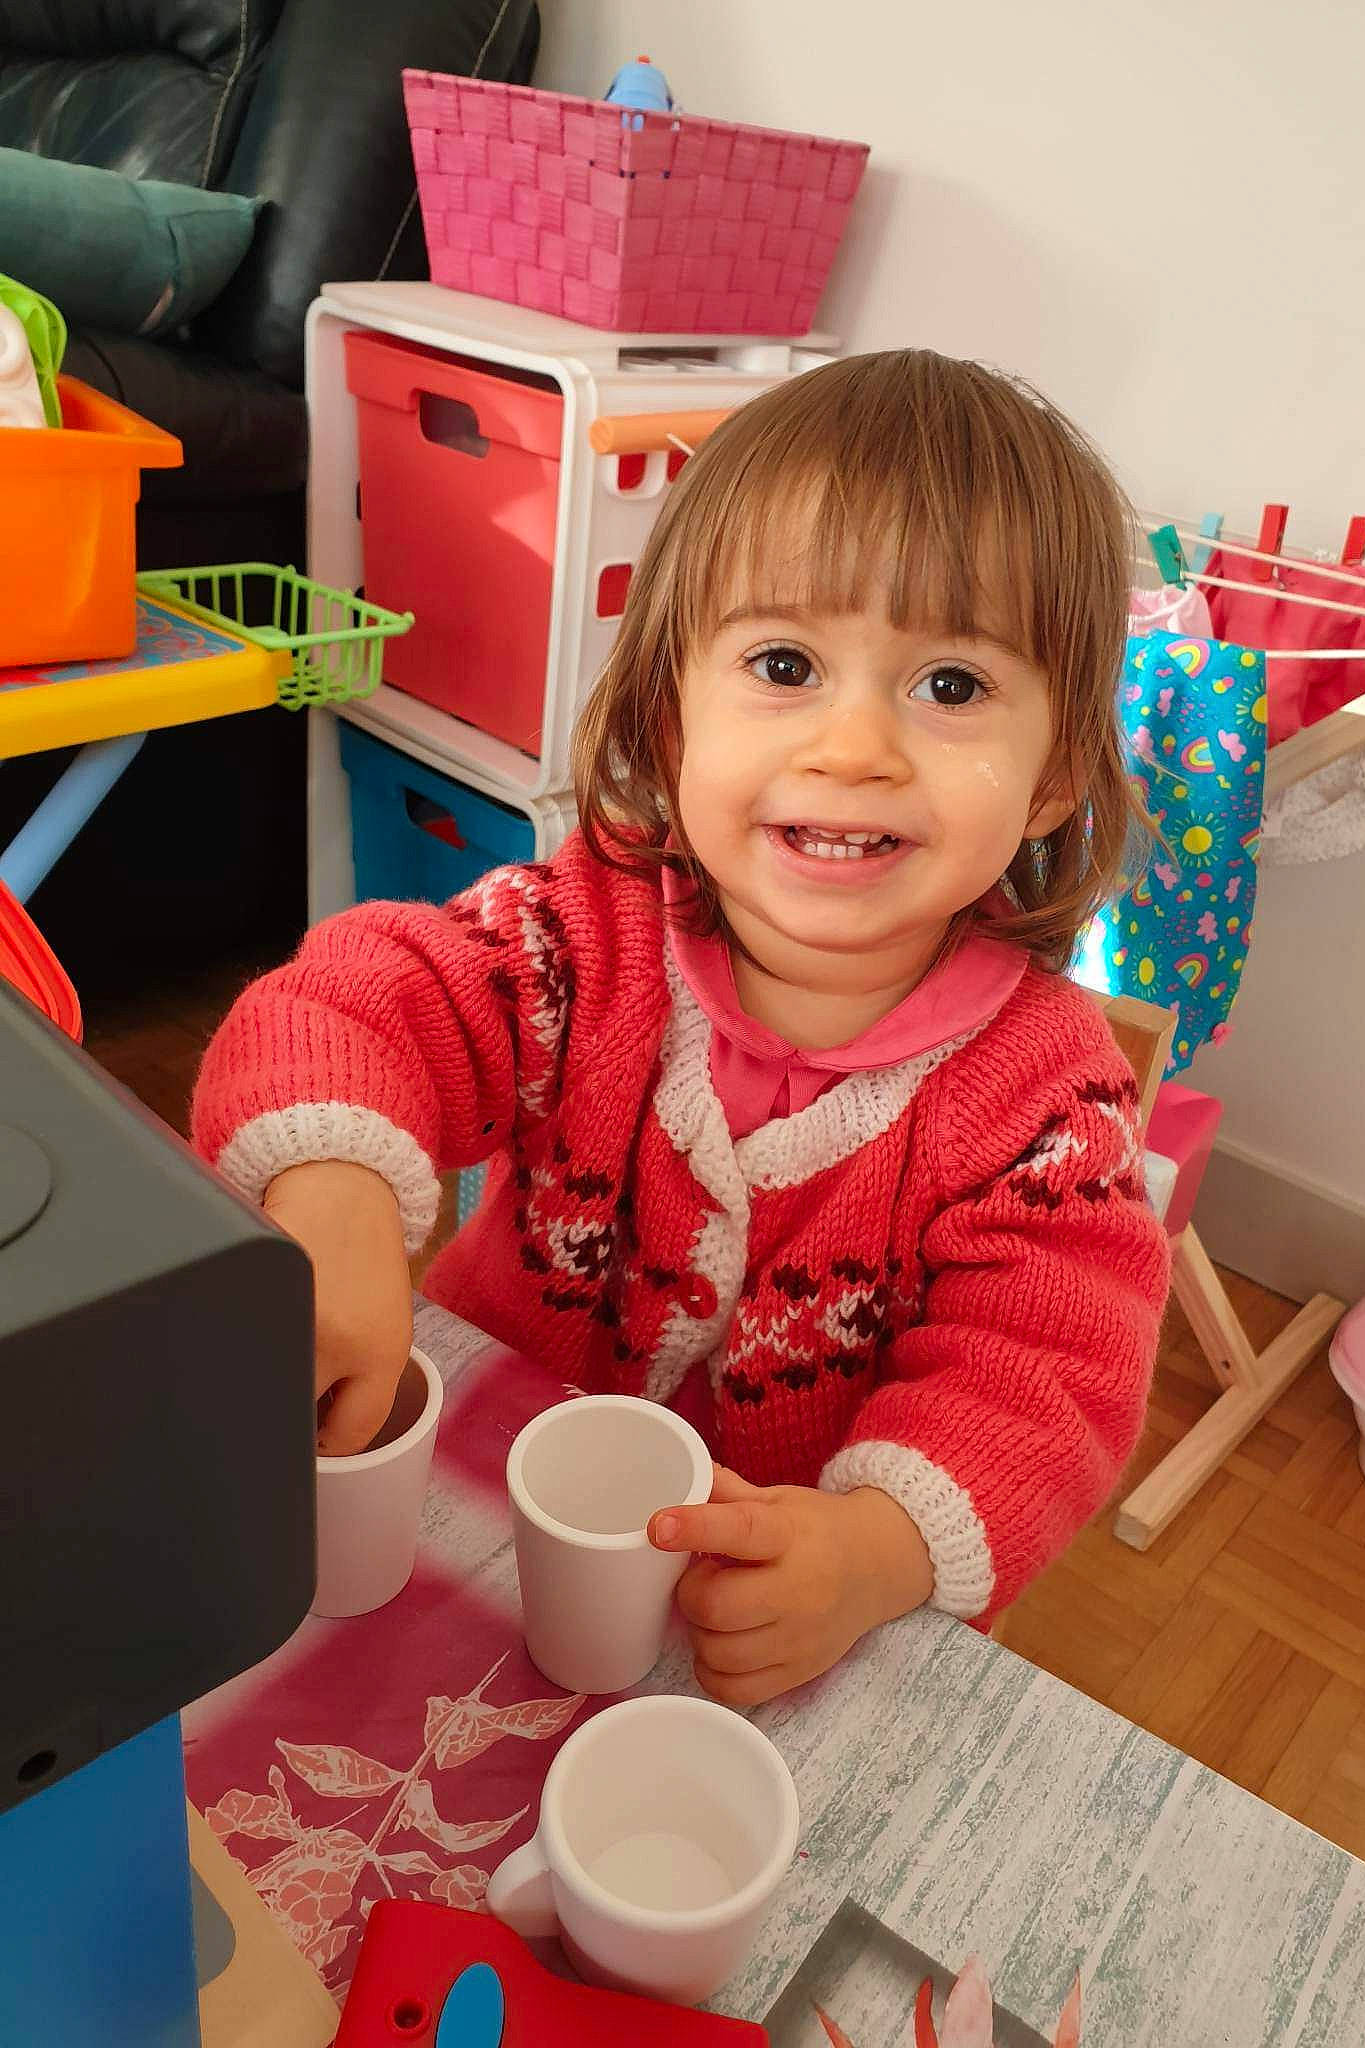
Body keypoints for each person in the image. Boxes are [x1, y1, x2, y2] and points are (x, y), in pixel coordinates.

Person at [193, 349, 1170, 1706]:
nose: (854, 749)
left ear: (1059, 773)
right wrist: (334, 1193)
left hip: (781, 1610)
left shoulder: (1049, 1101)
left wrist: (878, 1549)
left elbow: (1051, 1376)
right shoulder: (585, 932)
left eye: (950, 687)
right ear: (671, 715)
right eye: (785, 663)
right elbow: (360, 1002)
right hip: (473, 1489)